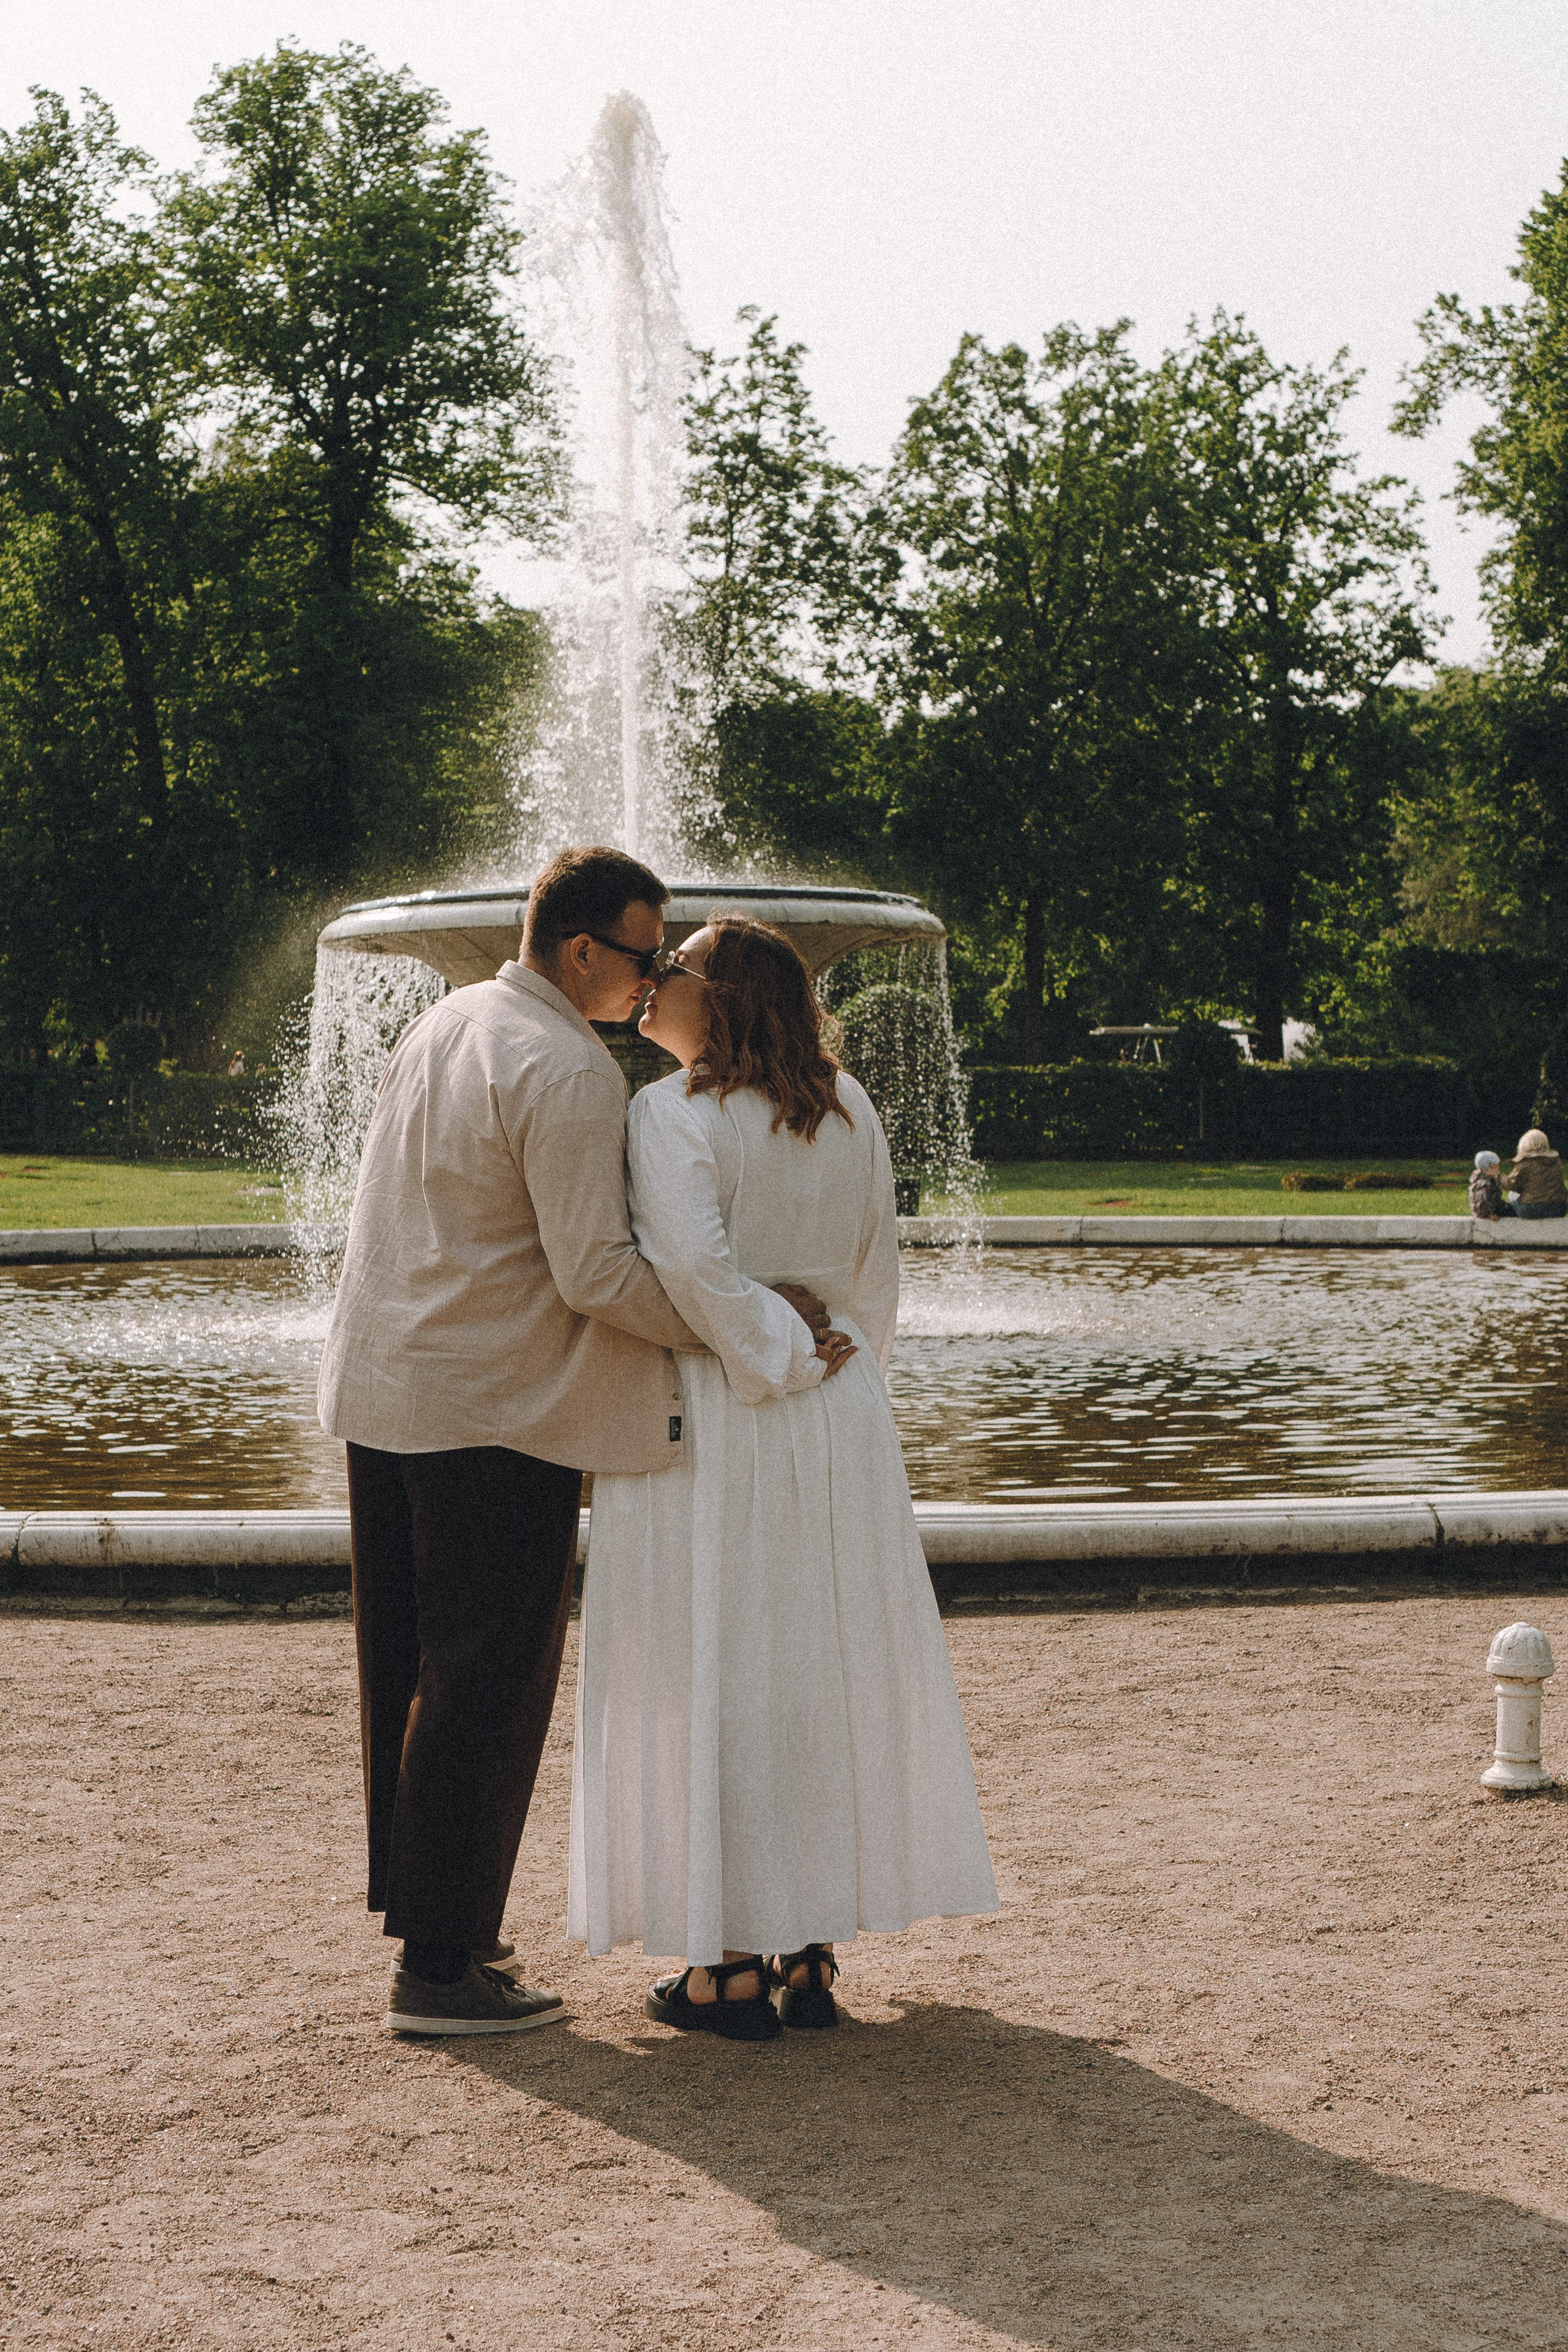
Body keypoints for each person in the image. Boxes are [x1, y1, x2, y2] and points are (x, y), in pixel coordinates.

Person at [317, 848, 831, 2039]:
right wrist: (739, 1325)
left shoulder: (449, 1022)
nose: (654, 979)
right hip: (491, 1409)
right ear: (583, 951)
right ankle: (442, 1971)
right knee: (487, 1684)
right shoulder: (569, 1069)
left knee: (410, 1673)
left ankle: (436, 1934)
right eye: (646, 954)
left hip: (384, 1391)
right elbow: (596, 1272)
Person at [568, 918, 998, 2040]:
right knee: (811, 1670)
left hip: (720, 1414)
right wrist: (834, 1360)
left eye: (672, 971)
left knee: (711, 1664)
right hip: (837, 1415)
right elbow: (876, 1281)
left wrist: (780, 1347)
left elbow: (695, 1276)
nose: (651, 985)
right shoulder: (850, 1109)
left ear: (710, 1000)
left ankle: (726, 1966)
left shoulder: (668, 1115)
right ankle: (806, 1946)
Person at [1509, 1128, 1568, 1220]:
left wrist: (1497, 1175)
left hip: (1532, 1210)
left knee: (1512, 1194)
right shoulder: (1557, 1163)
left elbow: (1510, 1184)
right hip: (1560, 1208)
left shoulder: (1524, 1164)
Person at [1469, 1150, 1509, 1219]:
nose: (1498, 1169)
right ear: (1489, 1167)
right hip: (1488, 1210)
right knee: (1513, 1210)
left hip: (1490, 1207)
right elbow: (1482, 1201)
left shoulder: (1480, 1178)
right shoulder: (1485, 1183)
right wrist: (1490, 1214)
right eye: (1496, 1167)